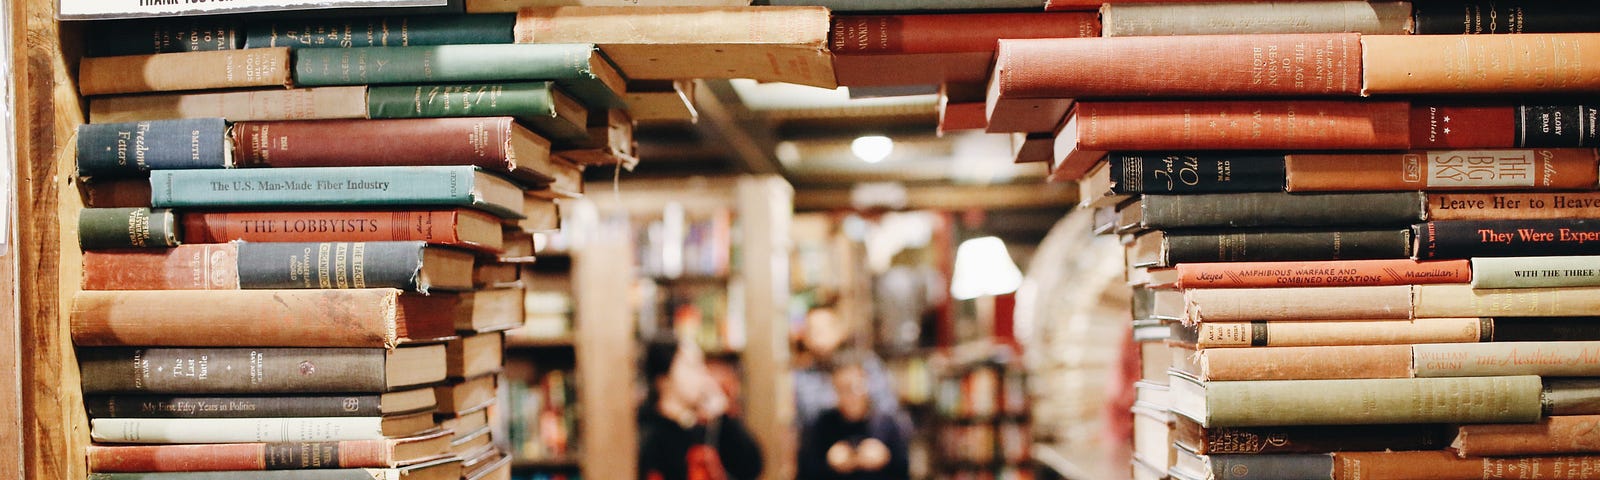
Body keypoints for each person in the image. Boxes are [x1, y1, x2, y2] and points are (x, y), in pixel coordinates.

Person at [638, 333, 764, 480]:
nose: (704, 375)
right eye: (693, 366)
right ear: (663, 378)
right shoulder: (648, 435)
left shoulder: (702, 428)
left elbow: (751, 468)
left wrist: (723, 416)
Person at [798, 351, 911, 480]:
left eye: (855, 387)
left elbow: (904, 471)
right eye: (842, 389)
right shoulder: (821, 425)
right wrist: (828, 463)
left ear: (867, 384)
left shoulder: (887, 424)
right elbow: (805, 472)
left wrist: (886, 458)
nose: (850, 396)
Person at [793, 302, 902, 430]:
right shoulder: (802, 377)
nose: (818, 337)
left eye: (823, 329)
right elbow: (804, 424)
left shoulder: (866, 364)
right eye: (812, 330)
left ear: (840, 330)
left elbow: (888, 409)